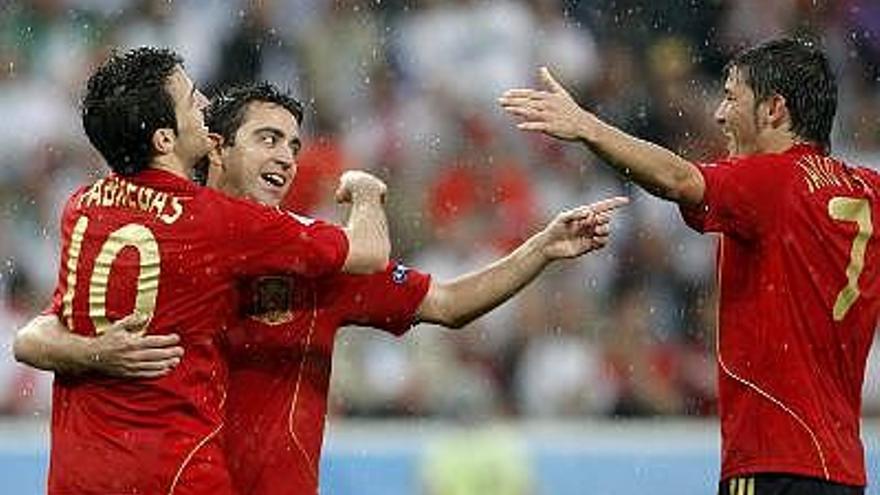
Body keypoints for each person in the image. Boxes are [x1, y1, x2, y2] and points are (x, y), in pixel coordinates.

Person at [16, 81, 628, 494]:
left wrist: (540, 249)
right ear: (217, 147)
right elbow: (45, 329)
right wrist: (91, 351)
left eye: (294, 145)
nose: (286, 157)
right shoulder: (169, 237)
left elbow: (444, 303)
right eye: (268, 138)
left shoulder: (311, 255)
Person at [500, 37, 877, 495]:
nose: (719, 114)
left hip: (774, 464)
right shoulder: (867, 189)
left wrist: (588, 127)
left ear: (774, 109)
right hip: (843, 472)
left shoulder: (773, 182)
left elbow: (679, 179)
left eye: (732, 97)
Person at [23, 47, 392, 495]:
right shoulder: (217, 219)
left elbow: (33, 338)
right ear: (164, 140)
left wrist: (93, 353)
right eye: (193, 100)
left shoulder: (81, 207)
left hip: (80, 472)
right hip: (175, 471)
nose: (205, 107)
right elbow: (371, 252)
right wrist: (366, 192)